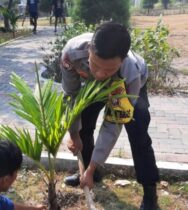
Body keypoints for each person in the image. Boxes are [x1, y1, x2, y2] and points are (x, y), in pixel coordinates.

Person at [61, 22, 160, 210]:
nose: (99, 73)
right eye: (94, 65)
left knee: (138, 135)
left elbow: (113, 124)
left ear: (121, 62)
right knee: (85, 123)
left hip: (127, 88)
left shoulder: (131, 74)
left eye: (108, 70)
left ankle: (150, 192)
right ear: (89, 49)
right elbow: (71, 97)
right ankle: (91, 174)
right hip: (93, 88)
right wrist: (73, 134)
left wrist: (92, 166)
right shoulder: (71, 55)